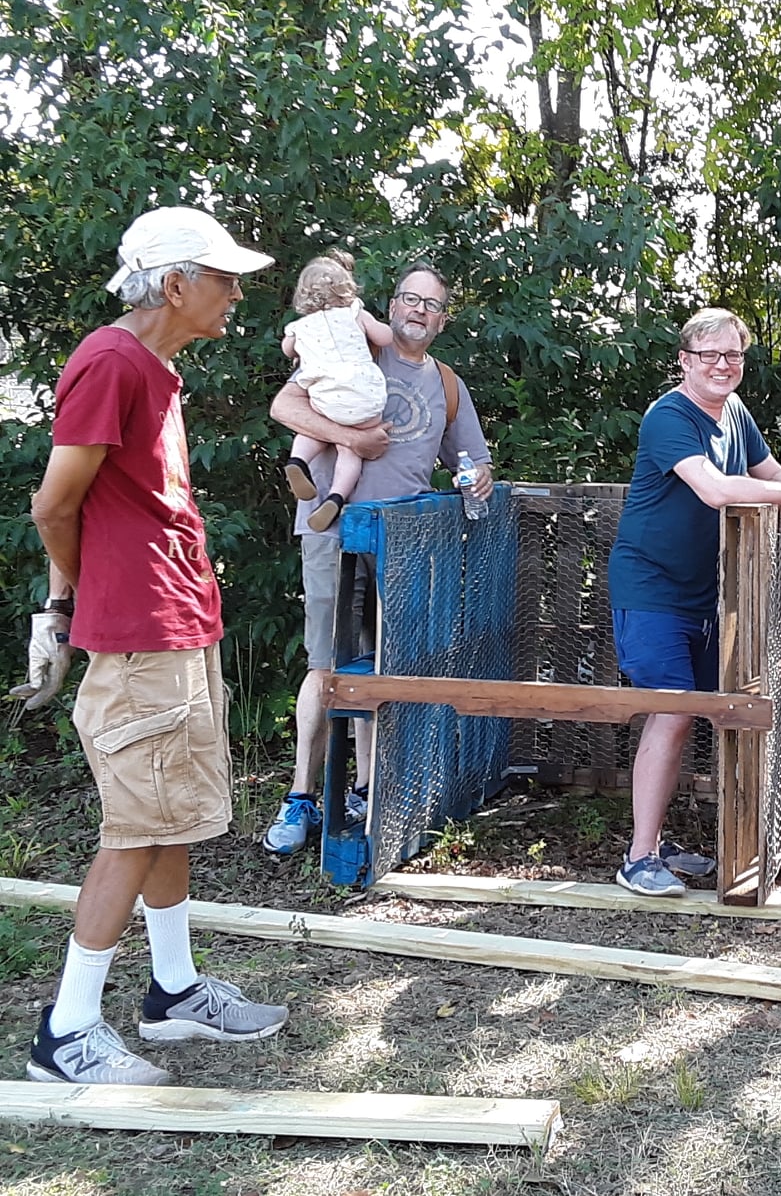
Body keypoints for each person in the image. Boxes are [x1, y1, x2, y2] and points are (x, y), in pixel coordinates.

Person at [11, 206, 290, 1085]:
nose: (236, 293)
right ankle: (68, 1030)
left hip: (176, 624)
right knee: (133, 828)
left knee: (172, 816)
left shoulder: (155, 370)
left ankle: (171, 992)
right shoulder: (109, 362)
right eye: (222, 277)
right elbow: (53, 506)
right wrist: (61, 604)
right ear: (175, 284)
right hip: (136, 637)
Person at [262, 260, 494, 856]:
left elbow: (472, 459)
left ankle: (365, 790)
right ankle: (301, 797)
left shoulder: (446, 383)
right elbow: (286, 410)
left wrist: (479, 479)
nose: (418, 309)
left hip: (404, 545)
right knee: (324, 664)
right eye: (409, 298)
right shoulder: (356, 349)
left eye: (431, 303)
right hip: (333, 533)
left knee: (380, 667)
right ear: (390, 306)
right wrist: (352, 441)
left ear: (443, 320)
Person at [606, 308, 781, 898]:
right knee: (672, 709)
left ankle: (662, 841)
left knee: (709, 711)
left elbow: (768, 469)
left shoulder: (735, 413)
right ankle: (638, 859)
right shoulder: (669, 415)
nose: (722, 365)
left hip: (706, 596)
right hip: (651, 590)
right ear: (685, 361)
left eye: (732, 355)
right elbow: (717, 489)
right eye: (709, 355)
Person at [280, 250, 394, 533]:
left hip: (326, 396)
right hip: (364, 397)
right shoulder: (355, 312)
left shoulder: (299, 326)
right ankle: (336, 496)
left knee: (311, 428)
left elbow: (287, 350)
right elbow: (385, 338)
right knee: (350, 447)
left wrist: (300, 350)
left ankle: (298, 460)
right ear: (347, 288)